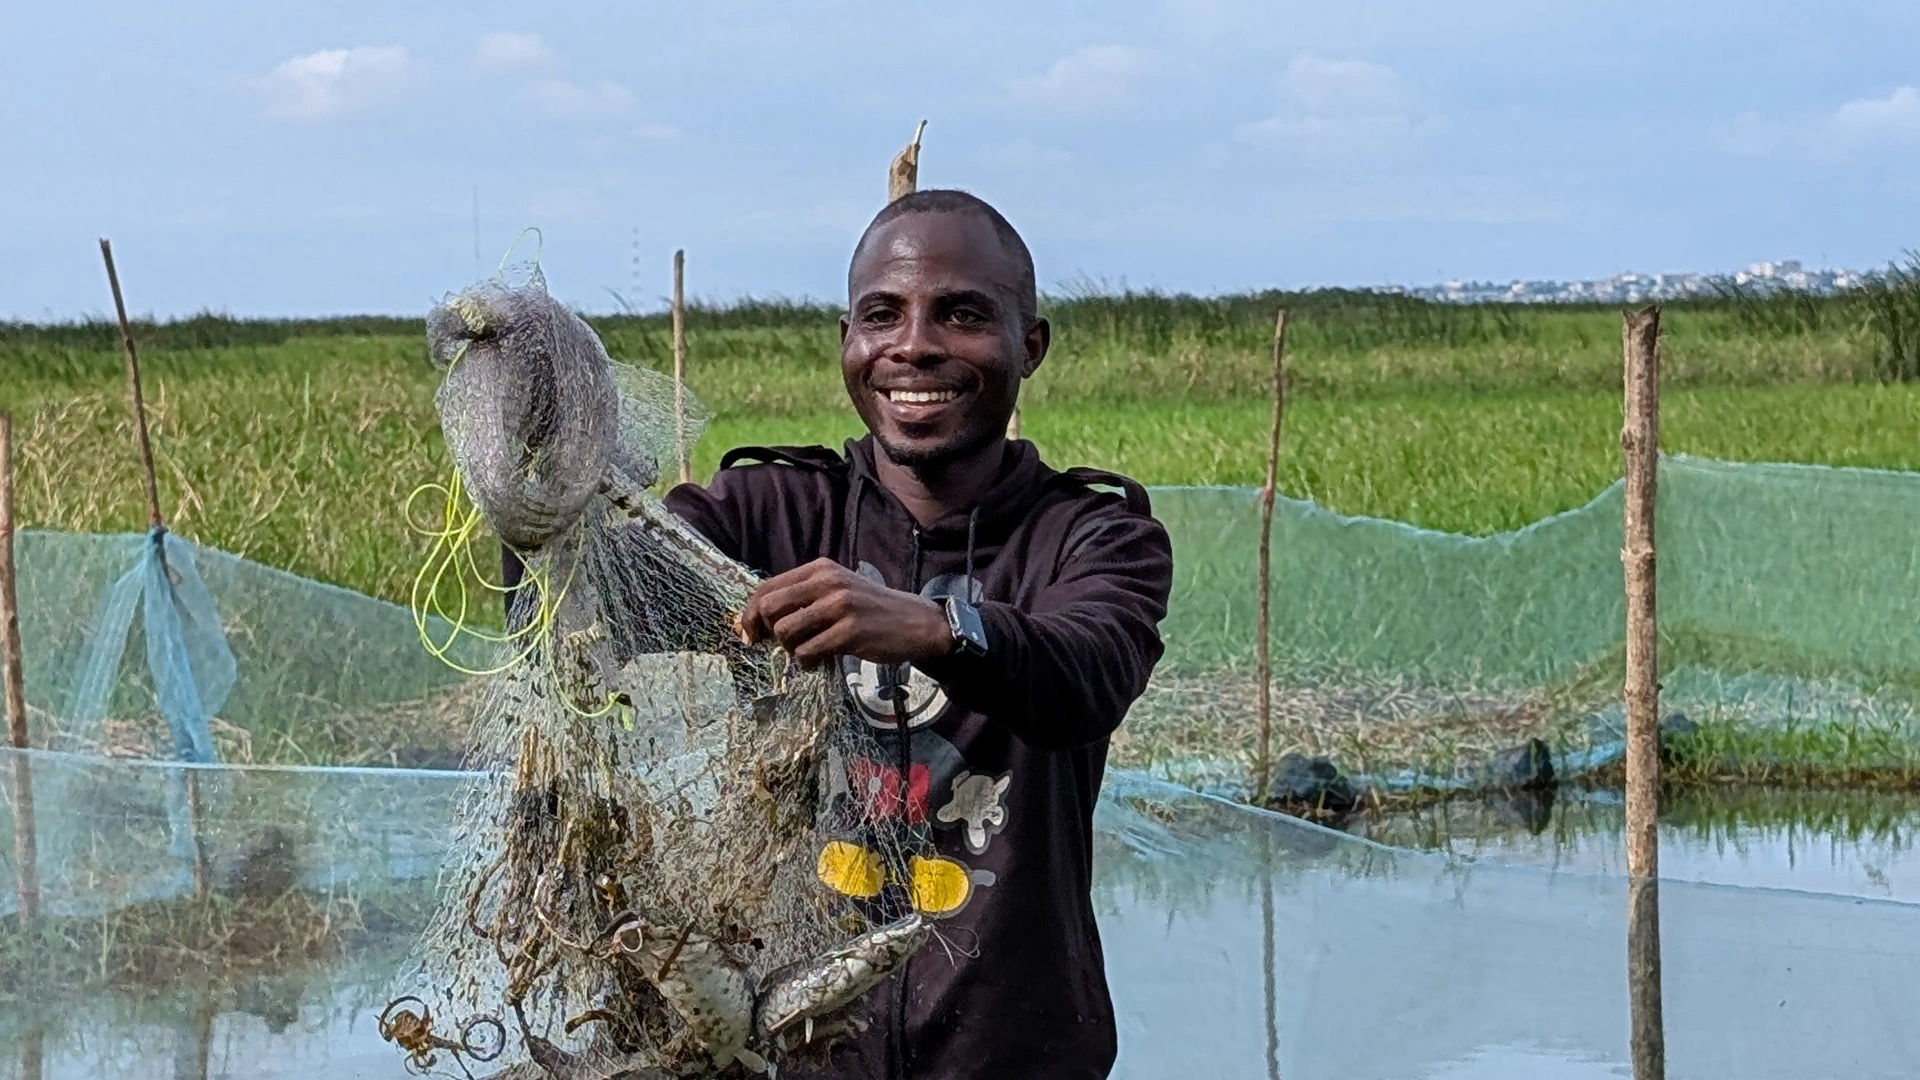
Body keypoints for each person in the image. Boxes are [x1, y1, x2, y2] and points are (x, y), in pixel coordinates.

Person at [509, 188, 1174, 1079]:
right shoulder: (767, 511)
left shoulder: (1090, 536)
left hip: (1016, 1052)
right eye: (882, 315)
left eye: (963, 314)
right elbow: (581, 610)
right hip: (792, 1054)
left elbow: (1086, 674)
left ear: (1031, 346)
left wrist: (934, 628)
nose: (914, 345)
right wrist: (527, 475)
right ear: (848, 341)